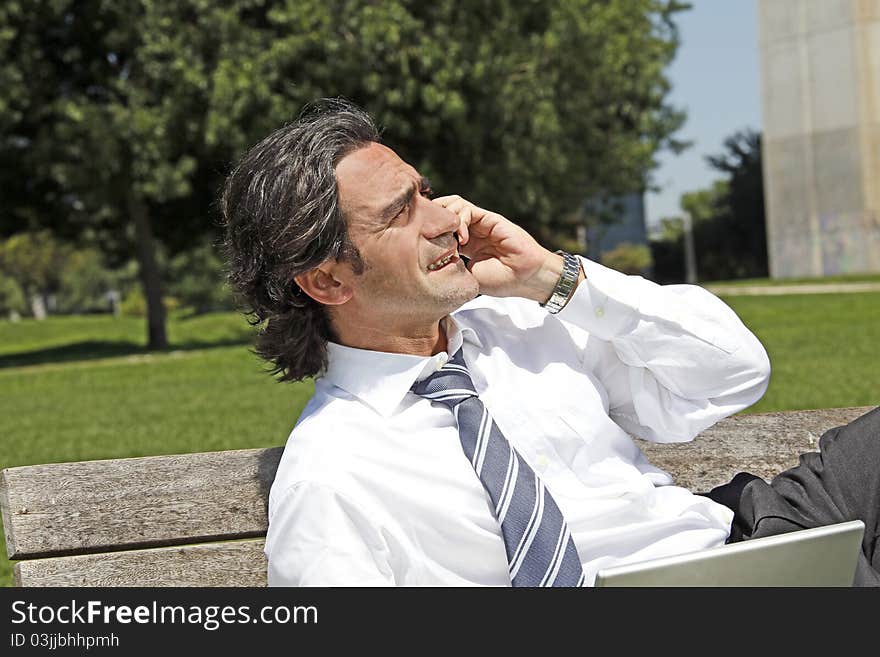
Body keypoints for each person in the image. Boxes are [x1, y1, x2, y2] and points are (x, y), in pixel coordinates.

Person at [221, 98, 879, 587]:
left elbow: (734, 372)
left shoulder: (522, 318)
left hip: (745, 538)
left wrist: (549, 276)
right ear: (329, 279)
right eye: (401, 213)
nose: (446, 216)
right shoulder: (332, 471)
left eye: (425, 192)